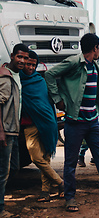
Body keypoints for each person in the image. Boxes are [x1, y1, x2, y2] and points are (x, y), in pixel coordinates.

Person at [45, 33, 99, 212]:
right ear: (94, 48)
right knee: (70, 162)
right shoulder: (74, 63)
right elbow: (49, 74)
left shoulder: (96, 66)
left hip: (92, 120)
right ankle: (69, 197)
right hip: (75, 121)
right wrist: (58, 100)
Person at [20, 50, 64, 202]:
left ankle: (45, 192)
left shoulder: (40, 80)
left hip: (46, 123)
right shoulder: (18, 80)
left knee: (45, 157)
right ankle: (60, 182)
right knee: (36, 157)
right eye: (28, 64)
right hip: (29, 125)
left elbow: (46, 103)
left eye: (33, 65)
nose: (31, 68)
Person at [0, 44, 28, 218]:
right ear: (12, 56)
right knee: (3, 171)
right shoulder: (5, 77)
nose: (22, 61)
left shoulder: (16, 75)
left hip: (14, 130)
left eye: (25, 58)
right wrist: (1, 131)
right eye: (19, 57)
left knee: (14, 167)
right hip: (6, 130)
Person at [77, 42, 99, 167]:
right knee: (90, 135)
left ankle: (98, 158)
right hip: (93, 106)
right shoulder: (90, 66)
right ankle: (81, 155)